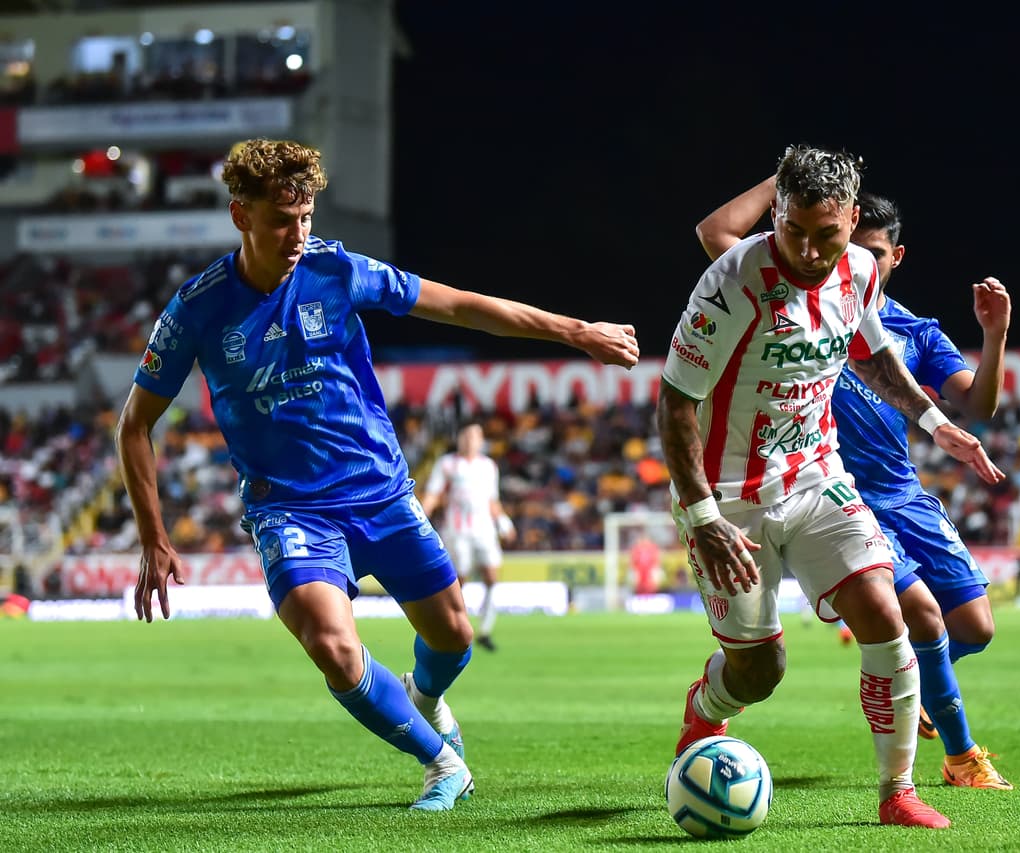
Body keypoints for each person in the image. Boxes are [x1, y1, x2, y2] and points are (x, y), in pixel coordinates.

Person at [116, 138, 639, 812]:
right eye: (282, 219)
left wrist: (575, 331)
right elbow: (134, 424)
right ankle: (442, 762)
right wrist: (153, 536)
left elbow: (456, 305)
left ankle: (422, 696)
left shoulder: (337, 272)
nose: (299, 233)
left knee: (453, 635)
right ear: (240, 215)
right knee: (334, 647)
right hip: (291, 511)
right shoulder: (197, 308)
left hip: (380, 492)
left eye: (305, 216)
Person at [660, 145, 1004, 830]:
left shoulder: (857, 273)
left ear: (851, 219)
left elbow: (873, 354)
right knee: (761, 670)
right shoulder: (733, 280)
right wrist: (701, 516)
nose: (813, 252)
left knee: (887, 613)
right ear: (777, 215)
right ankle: (707, 707)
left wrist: (937, 425)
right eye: (795, 231)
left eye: (829, 234)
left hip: (817, 475)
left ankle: (897, 791)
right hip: (730, 495)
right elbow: (674, 403)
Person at [420, 421, 514, 652]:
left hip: (484, 531)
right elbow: (433, 494)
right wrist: (420, 517)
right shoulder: (448, 464)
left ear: (481, 441)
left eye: (475, 436)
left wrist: (504, 522)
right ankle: (453, 625)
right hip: (457, 531)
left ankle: (485, 630)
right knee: (458, 580)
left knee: (492, 577)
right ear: (460, 439)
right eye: (466, 435)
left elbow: (492, 501)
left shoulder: (489, 466)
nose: (470, 440)